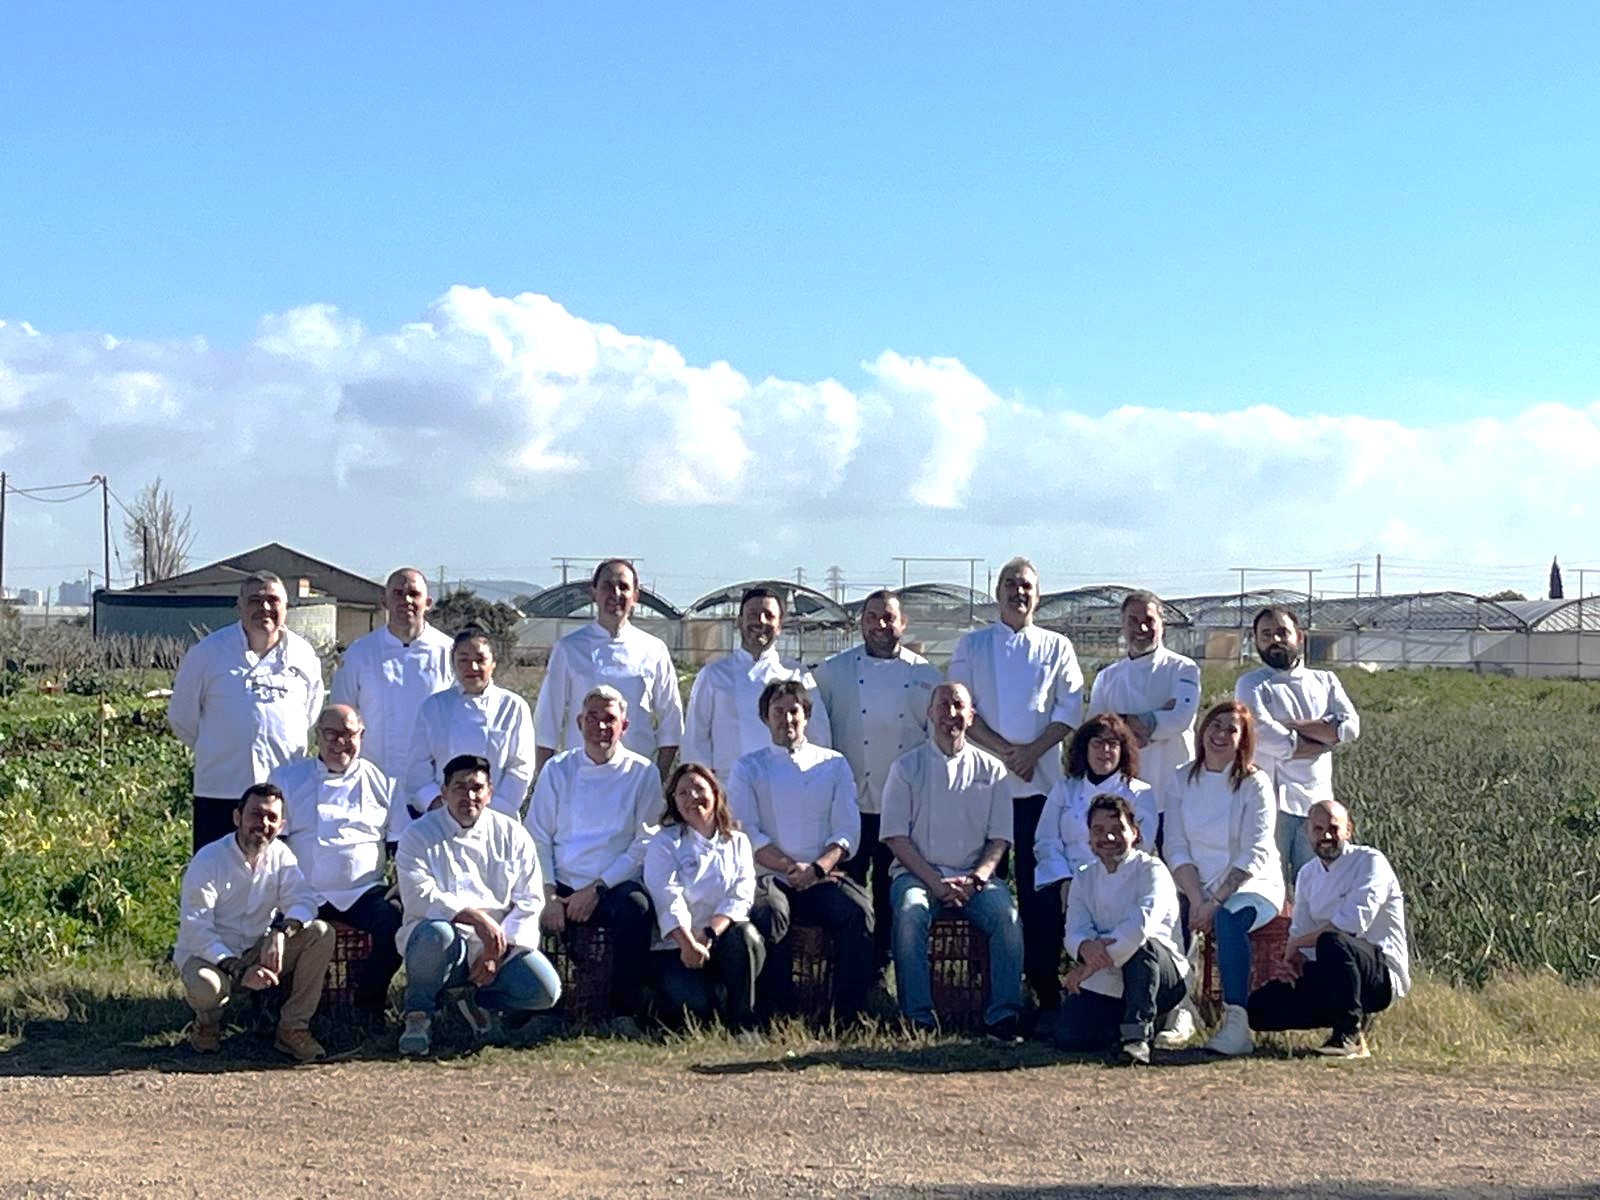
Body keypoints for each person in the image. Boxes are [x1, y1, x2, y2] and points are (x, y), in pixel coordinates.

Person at [947, 556, 1083, 1014]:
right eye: (1010, 584)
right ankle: (985, 984)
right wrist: (1007, 751)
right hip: (983, 787)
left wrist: (1032, 752)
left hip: (1040, 789)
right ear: (997, 592)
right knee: (985, 886)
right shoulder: (972, 645)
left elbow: (1069, 709)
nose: (1018, 592)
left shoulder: (1057, 646)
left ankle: (1044, 985)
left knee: (1038, 891)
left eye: (1026, 586)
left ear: (1037, 595)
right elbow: (963, 711)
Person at [882, 682, 1024, 1037]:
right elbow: (896, 838)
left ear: (971, 716)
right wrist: (935, 883)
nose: (950, 713)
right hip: (918, 876)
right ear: (929, 713)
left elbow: (999, 838)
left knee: (1007, 918)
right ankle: (918, 1018)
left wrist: (976, 880)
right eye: (943, 705)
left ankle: (1003, 1016)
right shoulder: (906, 768)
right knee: (911, 913)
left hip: (975, 880)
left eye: (958, 705)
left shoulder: (992, 770)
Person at [395, 755, 562, 1055]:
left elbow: (529, 900)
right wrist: (476, 919)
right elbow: (419, 894)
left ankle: (475, 1004)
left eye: (476, 788)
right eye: (459, 787)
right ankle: (419, 1014)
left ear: (489, 793)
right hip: (446, 941)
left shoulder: (513, 835)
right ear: (444, 792)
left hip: (500, 943)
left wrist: (496, 950)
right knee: (435, 934)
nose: (468, 796)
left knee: (545, 989)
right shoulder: (418, 834)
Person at [813, 587, 942, 973]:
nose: (880, 625)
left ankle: (883, 966)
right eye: (872, 617)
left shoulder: (926, 675)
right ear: (861, 623)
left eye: (889, 617)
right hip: (849, 803)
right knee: (848, 889)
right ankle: (847, 966)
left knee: (891, 892)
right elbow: (817, 736)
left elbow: (935, 741)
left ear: (903, 623)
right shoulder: (832, 672)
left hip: (903, 808)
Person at [727, 680, 870, 1021]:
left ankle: (847, 1014)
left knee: (859, 911)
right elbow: (747, 833)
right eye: (778, 712)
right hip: (771, 877)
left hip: (821, 877)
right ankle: (778, 1012)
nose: (787, 719)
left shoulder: (834, 764)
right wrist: (792, 868)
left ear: (806, 715)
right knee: (769, 915)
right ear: (765, 718)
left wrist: (817, 869)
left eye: (794, 711)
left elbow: (846, 830)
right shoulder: (747, 767)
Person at [526, 686, 661, 1026]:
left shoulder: (643, 772)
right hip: (560, 883)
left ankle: (623, 1011)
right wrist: (548, 894)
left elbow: (644, 842)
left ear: (624, 726)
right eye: (592, 718)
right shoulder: (557, 769)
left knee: (638, 908)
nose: (601, 726)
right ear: (578, 722)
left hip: (612, 884)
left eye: (609, 719)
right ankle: (534, 1008)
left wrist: (598, 888)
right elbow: (537, 835)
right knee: (520, 909)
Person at [173, 783, 335, 1062]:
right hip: (209, 957)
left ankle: (292, 1028)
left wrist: (281, 932)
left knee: (321, 933)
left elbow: (304, 901)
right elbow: (196, 928)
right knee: (208, 987)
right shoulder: (209, 859)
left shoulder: (281, 856)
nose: (263, 824)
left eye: (272, 818)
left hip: (256, 952)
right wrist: (238, 969)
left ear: (281, 825)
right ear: (237, 817)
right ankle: (207, 1025)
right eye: (256, 815)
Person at [1162, 700, 1285, 1057]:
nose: (1220, 734)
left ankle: (1236, 1024)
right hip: (1193, 884)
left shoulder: (1255, 783)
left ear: (1243, 739)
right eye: (1215, 725)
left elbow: (1255, 852)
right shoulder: (1181, 778)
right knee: (1169, 915)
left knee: (1229, 919)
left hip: (1250, 885)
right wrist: (1196, 898)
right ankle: (1180, 1009)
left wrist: (1215, 901)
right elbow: (1175, 845)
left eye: (1231, 730)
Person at [169, 571, 325, 851]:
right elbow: (182, 717)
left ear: (286, 607)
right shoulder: (208, 653)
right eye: (255, 600)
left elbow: (310, 715)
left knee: (276, 874)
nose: (264, 607)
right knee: (216, 872)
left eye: (273, 600)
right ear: (239, 606)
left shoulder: (304, 655)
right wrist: (222, 747)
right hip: (221, 791)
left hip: (282, 794)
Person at [268, 704, 401, 1019]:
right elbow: (273, 844)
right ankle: (274, 1008)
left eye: (349, 734)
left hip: (363, 892)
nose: (340, 742)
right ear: (317, 736)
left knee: (397, 922)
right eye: (331, 734)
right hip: (304, 892)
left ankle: (368, 1004)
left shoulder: (385, 783)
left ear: (362, 735)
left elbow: (400, 845)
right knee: (269, 928)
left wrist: (402, 883)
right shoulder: (287, 779)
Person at [1247, 799, 1409, 1058]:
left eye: (1334, 829)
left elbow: (1352, 923)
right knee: (1258, 1008)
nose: (1326, 836)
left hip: (1379, 974)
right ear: (1308, 833)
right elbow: (1300, 931)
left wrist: (1298, 944)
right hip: (1333, 974)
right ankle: (1345, 1017)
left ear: (1348, 830)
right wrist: (1292, 963)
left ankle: (1349, 1035)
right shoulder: (1307, 874)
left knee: (1333, 940)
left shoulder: (1370, 862)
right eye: (1318, 829)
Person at [1034, 714, 1159, 1012]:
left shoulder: (1140, 793)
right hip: (1066, 880)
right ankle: (1048, 1000)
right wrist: (1064, 880)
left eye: (1112, 744)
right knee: (1041, 913)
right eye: (1097, 743)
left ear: (1123, 750)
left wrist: (1094, 880)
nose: (1105, 751)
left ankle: (1109, 996)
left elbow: (1142, 844)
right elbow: (1046, 840)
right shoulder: (1064, 789)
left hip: (1118, 880)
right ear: (1084, 748)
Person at [1055, 794, 1189, 1065]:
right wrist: (1084, 947)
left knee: (1143, 948)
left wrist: (1088, 967)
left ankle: (1137, 1037)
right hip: (1107, 975)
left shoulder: (1152, 870)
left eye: (1117, 830)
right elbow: (1075, 930)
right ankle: (1124, 1027)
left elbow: (1138, 928)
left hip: (1161, 975)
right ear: (1089, 837)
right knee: (1069, 1036)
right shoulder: (1084, 876)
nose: (1108, 838)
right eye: (1099, 830)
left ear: (1134, 833)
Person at [1235, 605, 1360, 885]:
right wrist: (1323, 737)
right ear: (1256, 642)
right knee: (1268, 883)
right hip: (1269, 803)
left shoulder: (1325, 681)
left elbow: (1350, 727)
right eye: (1266, 634)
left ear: (1299, 637)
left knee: (1316, 882)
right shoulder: (1250, 684)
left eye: (1282, 632)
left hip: (1316, 801)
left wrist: (1290, 726)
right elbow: (1264, 735)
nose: (1275, 640)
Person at [329, 567, 453, 837]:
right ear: (384, 601)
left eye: (413, 594)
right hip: (370, 787)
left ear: (428, 603)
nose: (405, 600)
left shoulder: (449, 653)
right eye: (397, 593)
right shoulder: (361, 653)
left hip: (432, 791)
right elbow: (340, 716)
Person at [533, 558, 684, 779]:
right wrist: (546, 778)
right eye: (607, 586)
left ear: (635, 596)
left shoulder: (653, 649)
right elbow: (548, 719)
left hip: (637, 774)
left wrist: (658, 775)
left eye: (623, 587)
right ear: (594, 593)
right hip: (580, 773)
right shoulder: (569, 648)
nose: (616, 594)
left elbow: (671, 718)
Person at [643, 762, 766, 1035]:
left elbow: (740, 895)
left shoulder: (738, 842)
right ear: (674, 802)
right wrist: (688, 944)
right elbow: (667, 896)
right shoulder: (664, 842)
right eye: (683, 793)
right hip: (676, 946)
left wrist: (709, 933)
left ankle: (743, 1026)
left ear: (715, 793)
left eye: (699, 789)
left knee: (747, 936)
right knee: (697, 1013)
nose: (692, 797)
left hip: (718, 938)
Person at [681, 586, 832, 780]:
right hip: (728, 785)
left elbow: (819, 736)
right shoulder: (713, 675)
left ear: (779, 625)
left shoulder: (797, 674)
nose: (760, 621)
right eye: (753, 615)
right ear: (739, 622)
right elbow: (695, 739)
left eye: (769, 615)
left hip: (787, 781)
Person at [404, 627, 536, 823]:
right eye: (463, 660)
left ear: (493, 664)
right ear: (453, 664)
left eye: (480, 659)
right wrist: (438, 804)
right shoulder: (434, 707)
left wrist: (493, 810)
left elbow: (521, 767)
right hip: (442, 817)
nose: (472, 667)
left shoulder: (513, 707)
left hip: (496, 818)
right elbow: (418, 766)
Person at [1086, 591, 1201, 789]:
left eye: (1149, 620)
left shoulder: (1184, 669)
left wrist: (1119, 722)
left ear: (1162, 624)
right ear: (1123, 625)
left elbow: (1180, 718)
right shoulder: (1107, 678)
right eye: (1133, 620)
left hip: (1173, 784)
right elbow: (1096, 729)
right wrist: (1153, 718)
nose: (1142, 628)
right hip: (1122, 787)